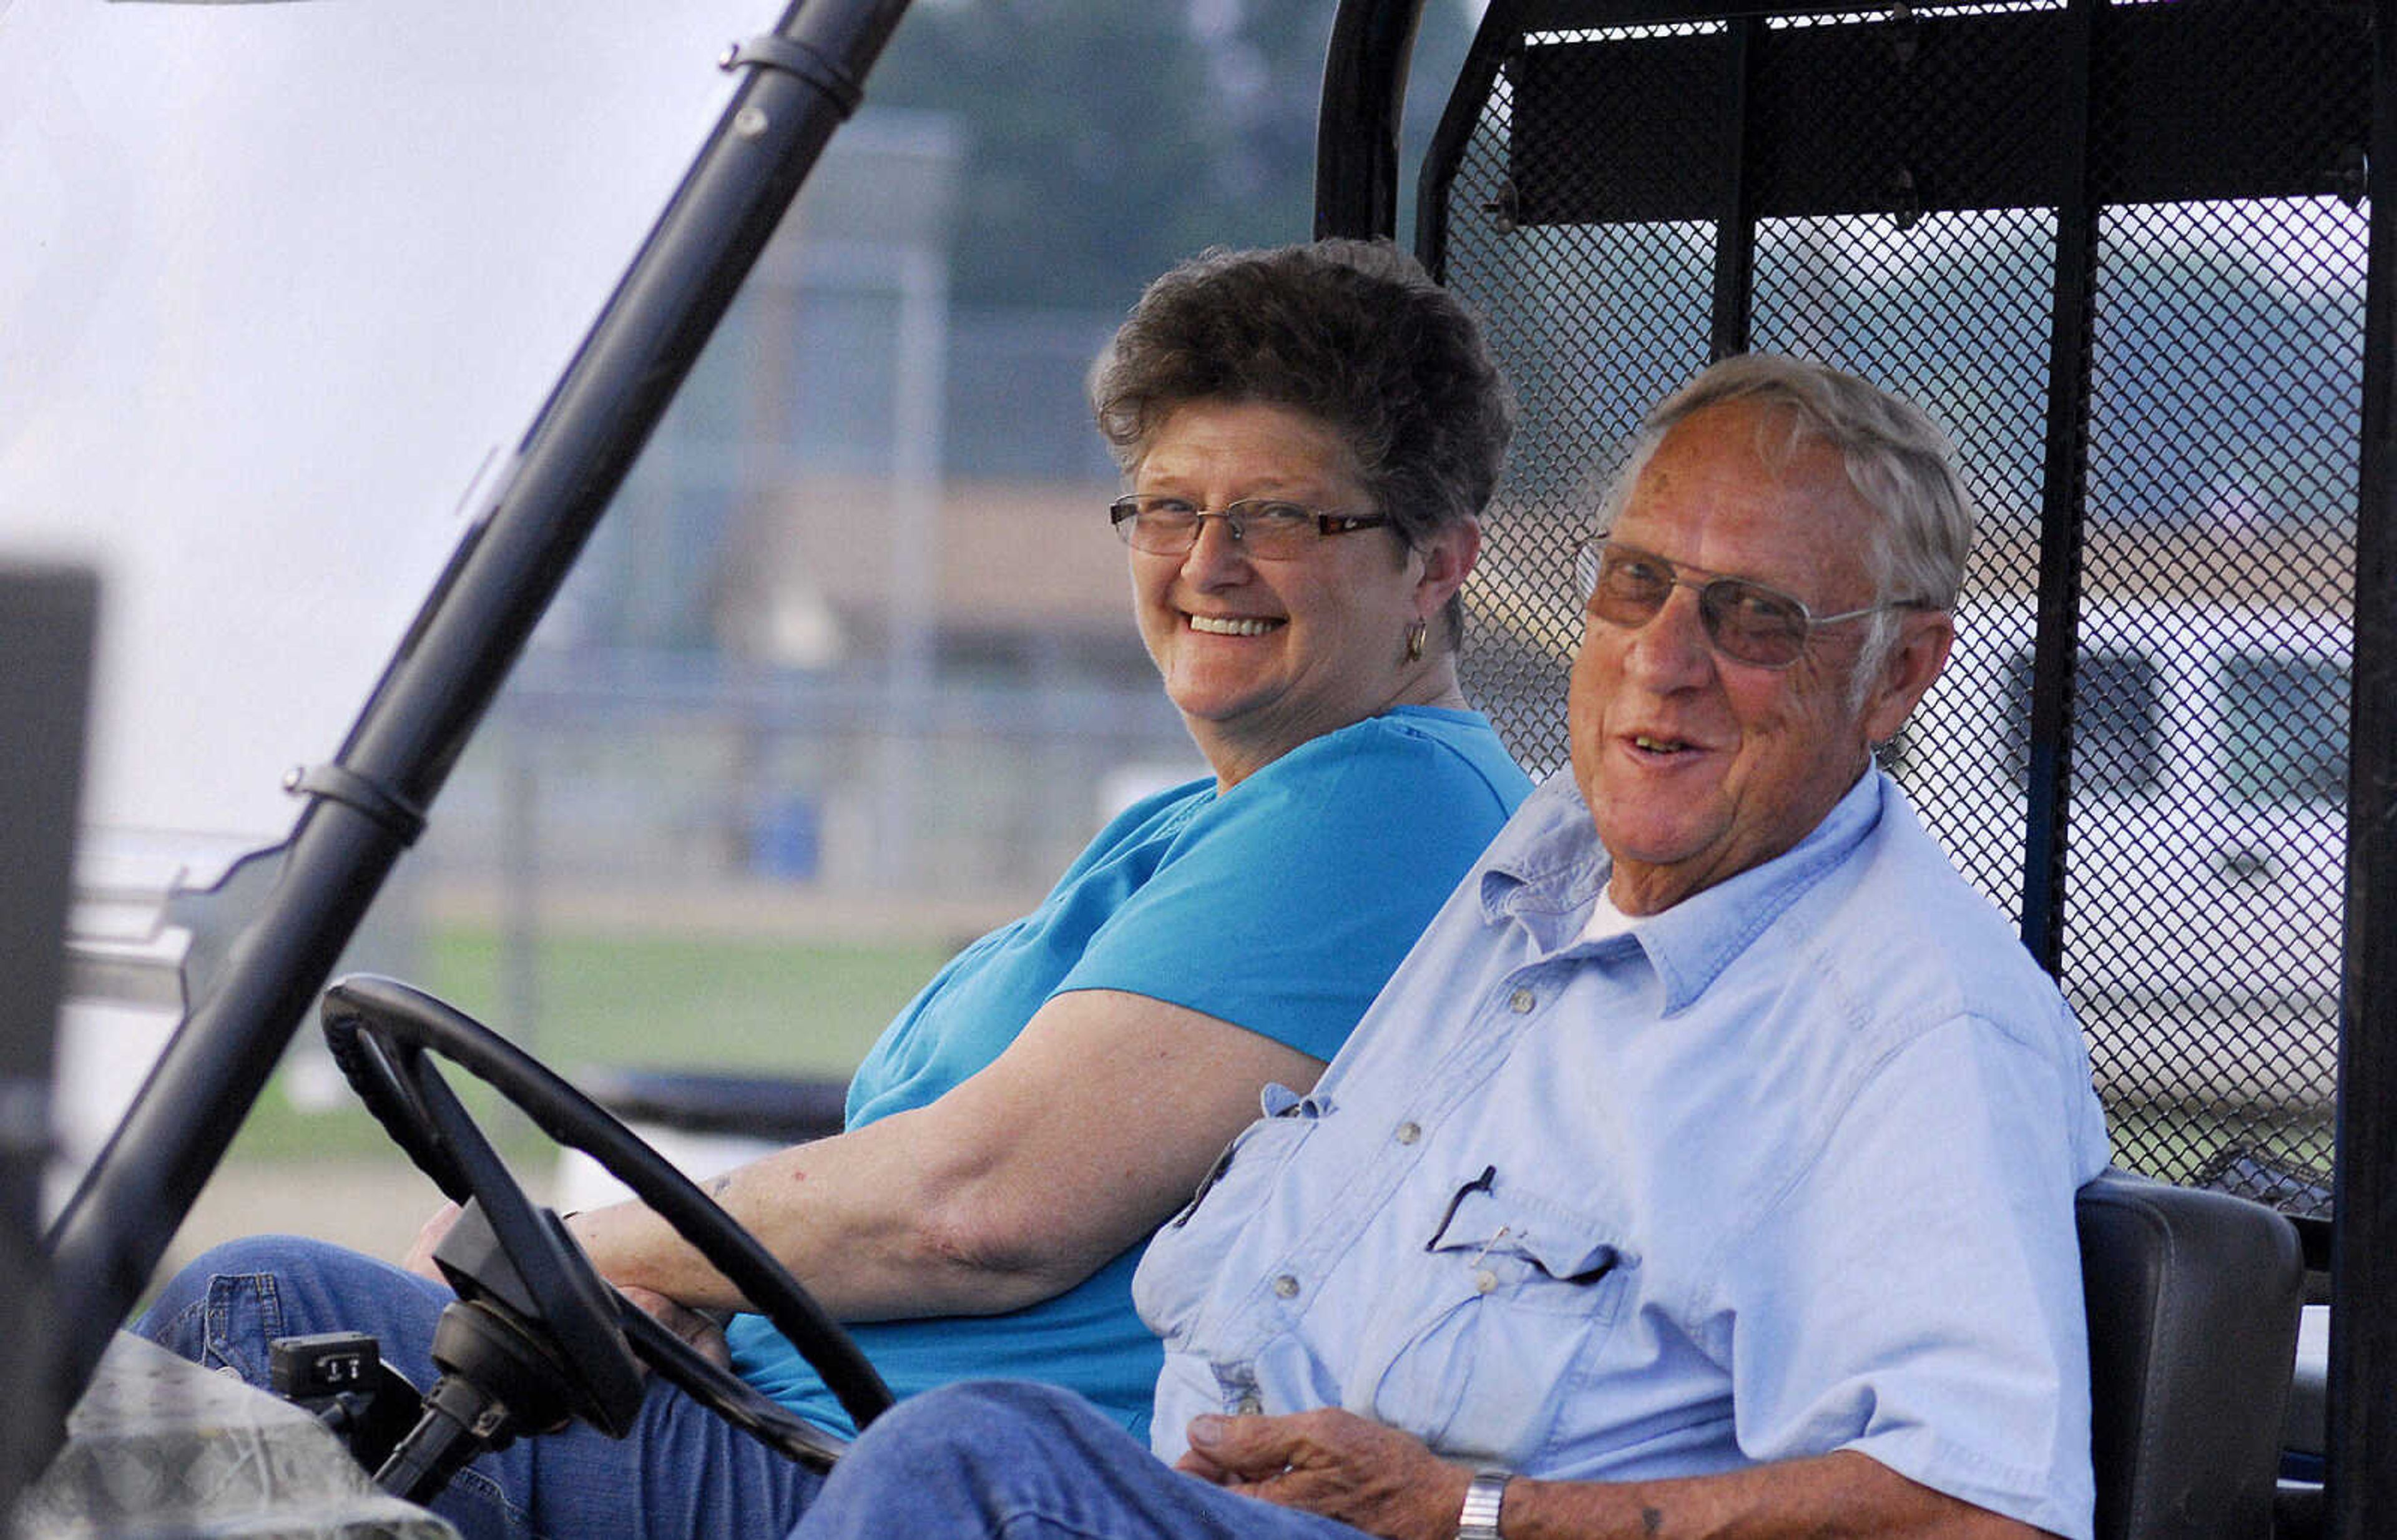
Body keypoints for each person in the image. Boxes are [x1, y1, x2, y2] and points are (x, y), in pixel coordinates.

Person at [135, 238, 1532, 1538]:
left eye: (1278, 516)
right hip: (783, 1410)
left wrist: (595, 1249)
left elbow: (985, 1207)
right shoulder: (1207, 822)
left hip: (908, 1476)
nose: (1206, 563)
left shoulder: (1391, 805)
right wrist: (674, 1287)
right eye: (1168, 508)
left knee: (259, 1309)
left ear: (1439, 561)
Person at [781, 353, 2114, 1540]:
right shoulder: (1540, 870)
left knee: (974, 1469)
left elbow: (1982, 1510)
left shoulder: (1913, 1023)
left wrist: (1474, 1515)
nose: (1663, 658)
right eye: (1636, 583)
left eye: (1754, 617)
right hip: (1201, 1489)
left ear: (1898, 672)